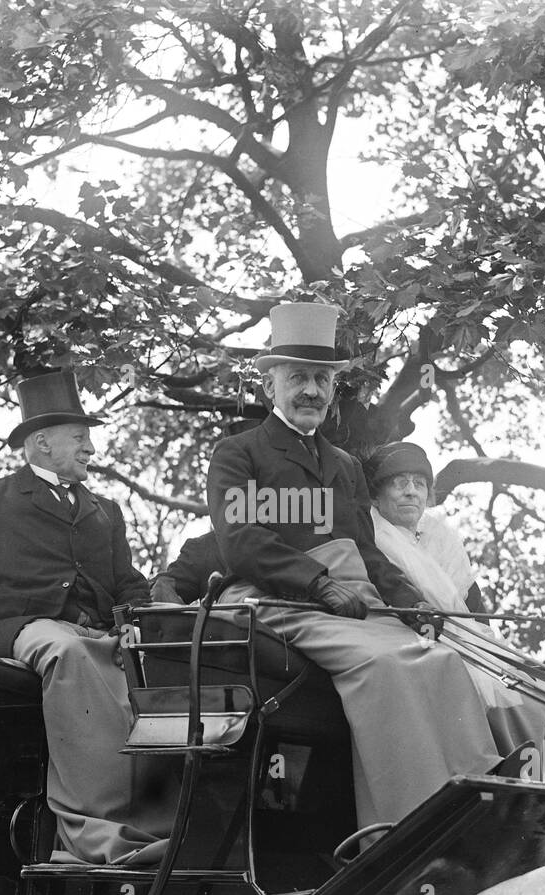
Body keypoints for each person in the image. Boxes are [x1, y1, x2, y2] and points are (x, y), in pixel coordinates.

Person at [206, 302, 504, 831]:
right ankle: (408, 826)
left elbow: (368, 553)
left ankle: (478, 802)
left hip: (349, 600)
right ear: (271, 385)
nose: (311, 391)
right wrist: (316, 583)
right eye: (298, 377)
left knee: (440, 659)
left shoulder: (343, 465)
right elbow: (242, 542)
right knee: (387, 664)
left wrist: (414, 605)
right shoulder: (238, 454)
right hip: (270, 599)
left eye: (321, 380)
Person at [0, 369, 175, 866]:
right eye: (80, 438)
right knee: (68, 654)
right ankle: (90, 834)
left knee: (160, 667)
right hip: (26, 628)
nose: (90, 449)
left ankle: (156, 824)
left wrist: (149, 616)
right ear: (42, 443)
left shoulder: (106, 509)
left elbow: (127, 581)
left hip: (99, 629)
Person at [365, 441, 545, 754]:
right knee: (460, 679)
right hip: (406, 637)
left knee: (529, 688)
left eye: (419, 484)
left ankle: (523, 773)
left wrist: (506, 654)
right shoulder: (370, 537)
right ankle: (485, 766)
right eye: (399, 484)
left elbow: (476, 616)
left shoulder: (442, 538)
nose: (411, 492)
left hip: (463, 639)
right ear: (376, 494)